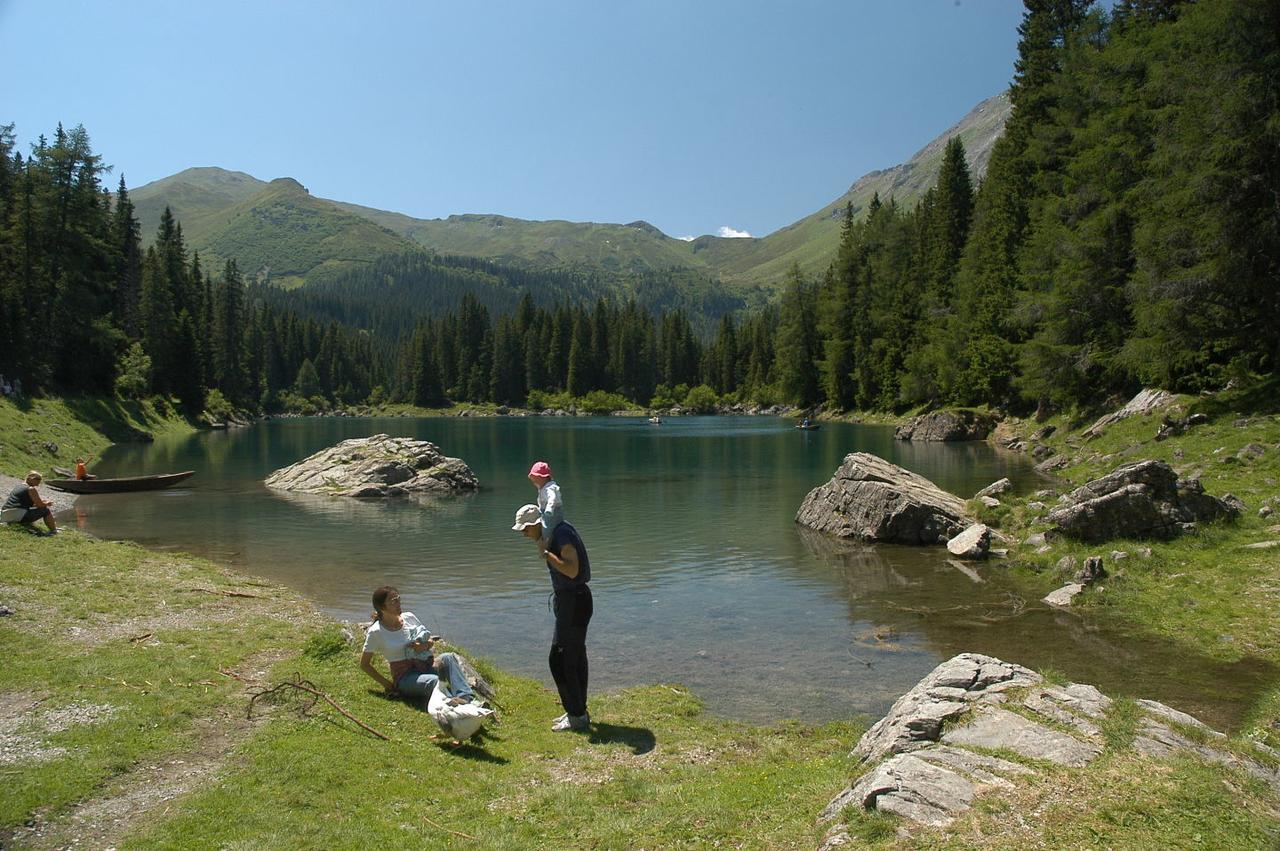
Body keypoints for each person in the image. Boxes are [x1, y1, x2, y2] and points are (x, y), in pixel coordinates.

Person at [512, 503, 592, 731]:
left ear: (536, 523)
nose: (524, 534)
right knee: (573, 657)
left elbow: (572, 570)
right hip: (571, 601)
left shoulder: (561, 535)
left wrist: (546, 554)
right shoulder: (555, 532)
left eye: (525, 529)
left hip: (575, 602)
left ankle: (577, 715)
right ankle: (578, 713)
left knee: (560, 659)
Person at [359, 586, 475, 709]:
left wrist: (422, 646)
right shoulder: (376, 632)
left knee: (448, 658)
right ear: (382, 607)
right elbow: (364, 665)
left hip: (425, 664)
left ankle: (465, 698)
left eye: (399, 599)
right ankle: (455, 705)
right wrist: (387, 684)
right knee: (435, 681)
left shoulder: (409, 617)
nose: (399, 603)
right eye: (394, 601)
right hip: (405, 676)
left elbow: (429, 641)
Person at [527, 460, 564, 540]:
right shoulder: (543, 486)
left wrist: (549, 509)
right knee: (543, 524)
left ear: (543, 478)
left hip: (553, 511)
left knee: (547, 529)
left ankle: (547, 542)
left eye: (536, 479)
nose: (534, 483)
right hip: (544, 511)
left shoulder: (550, 487)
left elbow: (552, 498)